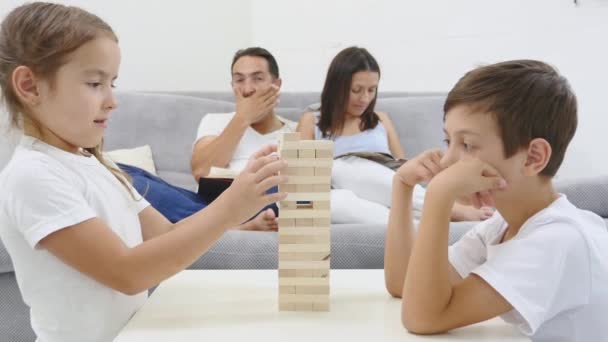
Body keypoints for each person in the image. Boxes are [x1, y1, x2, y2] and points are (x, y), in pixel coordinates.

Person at [0, 3, 286, 342]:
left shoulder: (96, 163)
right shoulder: (32, 175)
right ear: (30, 86)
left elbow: (167, 234)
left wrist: (237, 213)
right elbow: (128, 272)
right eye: (95, 83)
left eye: (112, 84)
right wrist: (230, 208)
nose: (112, 101)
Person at [384, 60, 608, 341]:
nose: (447, 160)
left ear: (533, 157)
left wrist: (439, 196)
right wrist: (402, 186)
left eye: (466, 145)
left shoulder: (558, 240)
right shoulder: (502, 227)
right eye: (447, 141)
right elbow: (404, 283)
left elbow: (424, 317)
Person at [297, 46, 492, 223]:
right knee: (336, 196)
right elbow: (299, 176)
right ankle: (420, 222)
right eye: (356, 90)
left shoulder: (380, 119)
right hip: (335, 185)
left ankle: (443, 212)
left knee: (356, 174)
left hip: (384, 183)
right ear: (337, 87)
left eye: (371, 90)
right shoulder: (311, 120)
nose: (365, 98)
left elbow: (402, 166)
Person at [191, 47, 296, 219]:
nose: (248, 89)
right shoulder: (214, 121)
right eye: (239, 80)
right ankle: (238, 223)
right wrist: (242, 118)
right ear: (232, 86)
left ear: (276, 85)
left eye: (258, 78)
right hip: (215, 207)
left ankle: (243, 221)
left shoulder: (296, 130)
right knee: (141, 182)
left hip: (271, 203)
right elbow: (202, 172)